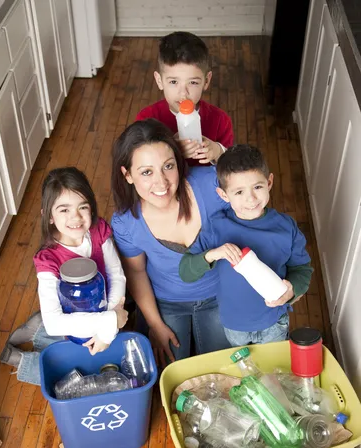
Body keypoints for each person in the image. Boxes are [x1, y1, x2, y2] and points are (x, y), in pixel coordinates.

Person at [111, 118, 229, 366]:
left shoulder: (210, 184)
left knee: (222, 372)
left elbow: (255, 205)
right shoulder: (126, 222)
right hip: (168, 302)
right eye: (146, 172)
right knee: (170, 375)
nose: (161, 182)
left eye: (168, 166)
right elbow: (136, 270)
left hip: (221, 294)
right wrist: (155, 324)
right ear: (127, 175)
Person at [0, 167, 128, 385]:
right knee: (73, 379)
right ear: (49, 216)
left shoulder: (97, 231)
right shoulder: (48, 260)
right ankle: (19, 359)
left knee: (110, 367)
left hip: (102, 310)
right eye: (64, 210)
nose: (75, 217)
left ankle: (35, 327)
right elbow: (55, 323)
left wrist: (111, 322)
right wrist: (111, 321)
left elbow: (117, 275)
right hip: (70, 321)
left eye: (83, 207)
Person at [179, 144, 313, 346]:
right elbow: (185, 272)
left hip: (274, 321)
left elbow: (302, 269)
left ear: (269, 182)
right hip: (233, 326)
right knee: (243, 375)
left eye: (257, 187)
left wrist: (292, 289)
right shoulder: (217, 228)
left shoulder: (286, 228)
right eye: (239, 192)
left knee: (272, 373)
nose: (250, 199)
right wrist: (212, 254)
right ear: (224, 195)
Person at [136, 31, 234, 165]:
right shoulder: (146, 119)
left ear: (206, 81)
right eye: (173, 82)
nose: (183, 93)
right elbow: (140, 161)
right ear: (159, 81)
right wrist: (171, 148)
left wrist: (217, 151)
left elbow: (232, 167)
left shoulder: (220, 120)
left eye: (193, 82)